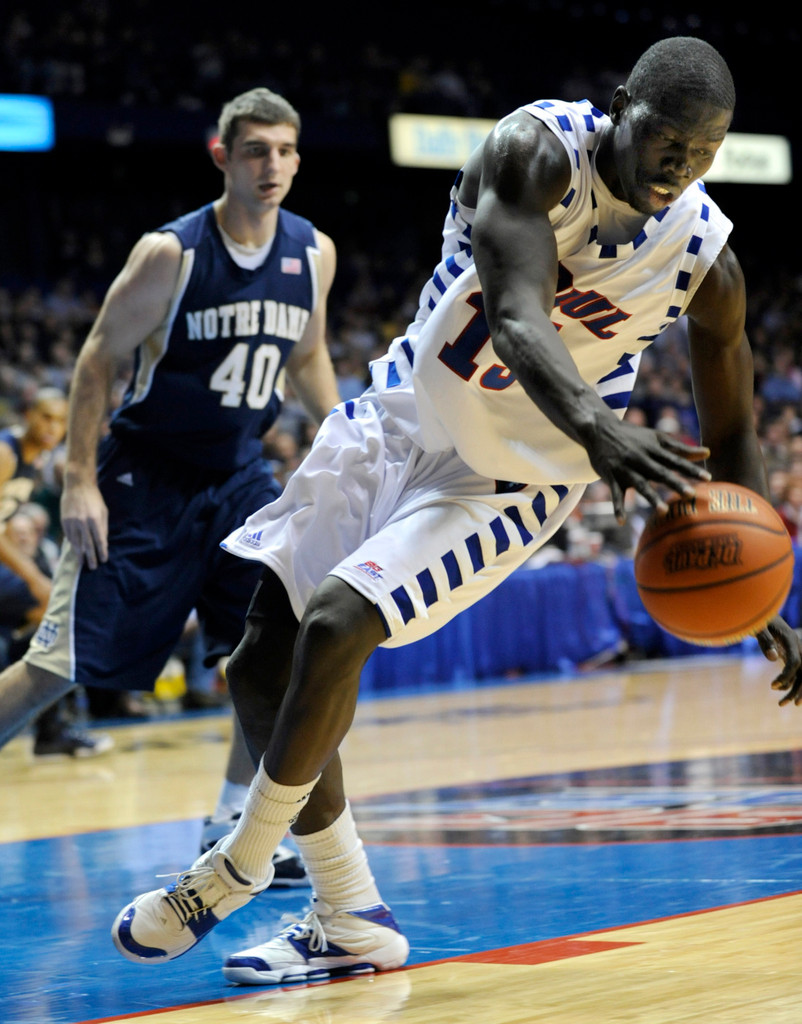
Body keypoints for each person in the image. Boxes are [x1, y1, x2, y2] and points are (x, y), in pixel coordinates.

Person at [112, 37, 802, 986]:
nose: (679, 167)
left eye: (705, 151)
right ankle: (350, 917)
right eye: (667, 141)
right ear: (621, 106)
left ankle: (234, 867)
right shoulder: (536, 152)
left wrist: (766, 596)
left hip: (516, 473)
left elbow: (731, 434)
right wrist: (606, 429)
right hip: (403, 413)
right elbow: (515, 318)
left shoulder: (706, 263)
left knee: (339, 622)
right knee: (259, 663)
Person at [0, 88, 340, 879]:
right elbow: (99, 355)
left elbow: (308, 354)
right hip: (144, 479)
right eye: (255, 150)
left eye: (285, 150)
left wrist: (340, 438)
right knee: (57, 666)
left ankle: (230, 825)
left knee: (271, 653)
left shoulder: (313, 251)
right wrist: (79, 479)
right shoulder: (173, 254)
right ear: (221, 155)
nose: (272, 165)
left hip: (238, 478)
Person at [0, 388, 111, 756]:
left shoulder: (35, 460)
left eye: (61, 421)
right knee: (59, 622)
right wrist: (33, 577)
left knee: (51, 626)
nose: (53, 427)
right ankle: (49, 730)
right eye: (46, 417)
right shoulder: (5, 453)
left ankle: (49, 728)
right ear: (27, 415)